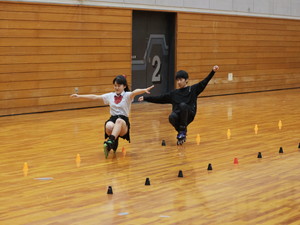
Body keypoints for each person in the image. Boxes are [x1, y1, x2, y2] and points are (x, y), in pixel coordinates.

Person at [71, 75, 154, 158]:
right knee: (109, 125)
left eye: (119, 85)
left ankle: (110, 141)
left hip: (123, 122)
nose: (117, 87)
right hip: (113, 119)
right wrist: (79, 96)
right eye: (115, 85)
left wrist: (144, 90)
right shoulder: (110, 96)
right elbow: (95, 97)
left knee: (119, 121)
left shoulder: (127, 95)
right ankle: (113, 140)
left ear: (124, 86)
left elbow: (135, 92)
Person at [138, 65, 219, 145]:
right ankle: (181, 131)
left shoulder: (193, 90)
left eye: (181, 79)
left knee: (183, 105)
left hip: (189, 114)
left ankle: (183, 130)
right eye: (177, 80)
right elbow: (160, 98)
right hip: (178, 116)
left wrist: (213, 72)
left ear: (186, 80)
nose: (178, 82)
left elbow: (204, 82)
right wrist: (146, 98)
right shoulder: (174, 93)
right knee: (171, 117)